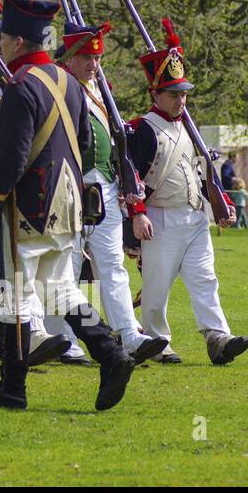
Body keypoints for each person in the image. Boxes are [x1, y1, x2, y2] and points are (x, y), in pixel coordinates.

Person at [0, 0, 137, 412]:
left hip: (26, 206)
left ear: (19, 42)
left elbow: (10, 160)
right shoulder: (69, 84)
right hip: (68, 204)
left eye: (4, 37)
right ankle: (111, 354)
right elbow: (82, 143)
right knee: (60, 291)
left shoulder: (21, 87)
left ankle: (11, 387)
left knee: (12, 294)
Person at [125, 18, 248, 366]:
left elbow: (202, 172)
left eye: (183, 94)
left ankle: (217, 336)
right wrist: (136, 215)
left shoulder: (189, 130)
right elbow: (131, 176)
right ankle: (157, 341)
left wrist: (221, 201)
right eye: (174, 94)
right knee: (156, 287)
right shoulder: (142, 129)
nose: (181, 100)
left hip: (195, 216)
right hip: (160, 216)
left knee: (205, 278)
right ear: (155, 94)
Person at [56, 21, 167, 365]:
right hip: (68, 185)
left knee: (113, 266)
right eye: (87, 58)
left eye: (98, 58)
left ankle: (130, 334)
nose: (94, 65)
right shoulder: (59, 87)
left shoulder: (99, 93)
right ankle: (66, 340)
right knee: (67, 267)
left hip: (104, 186)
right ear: (70, 57)